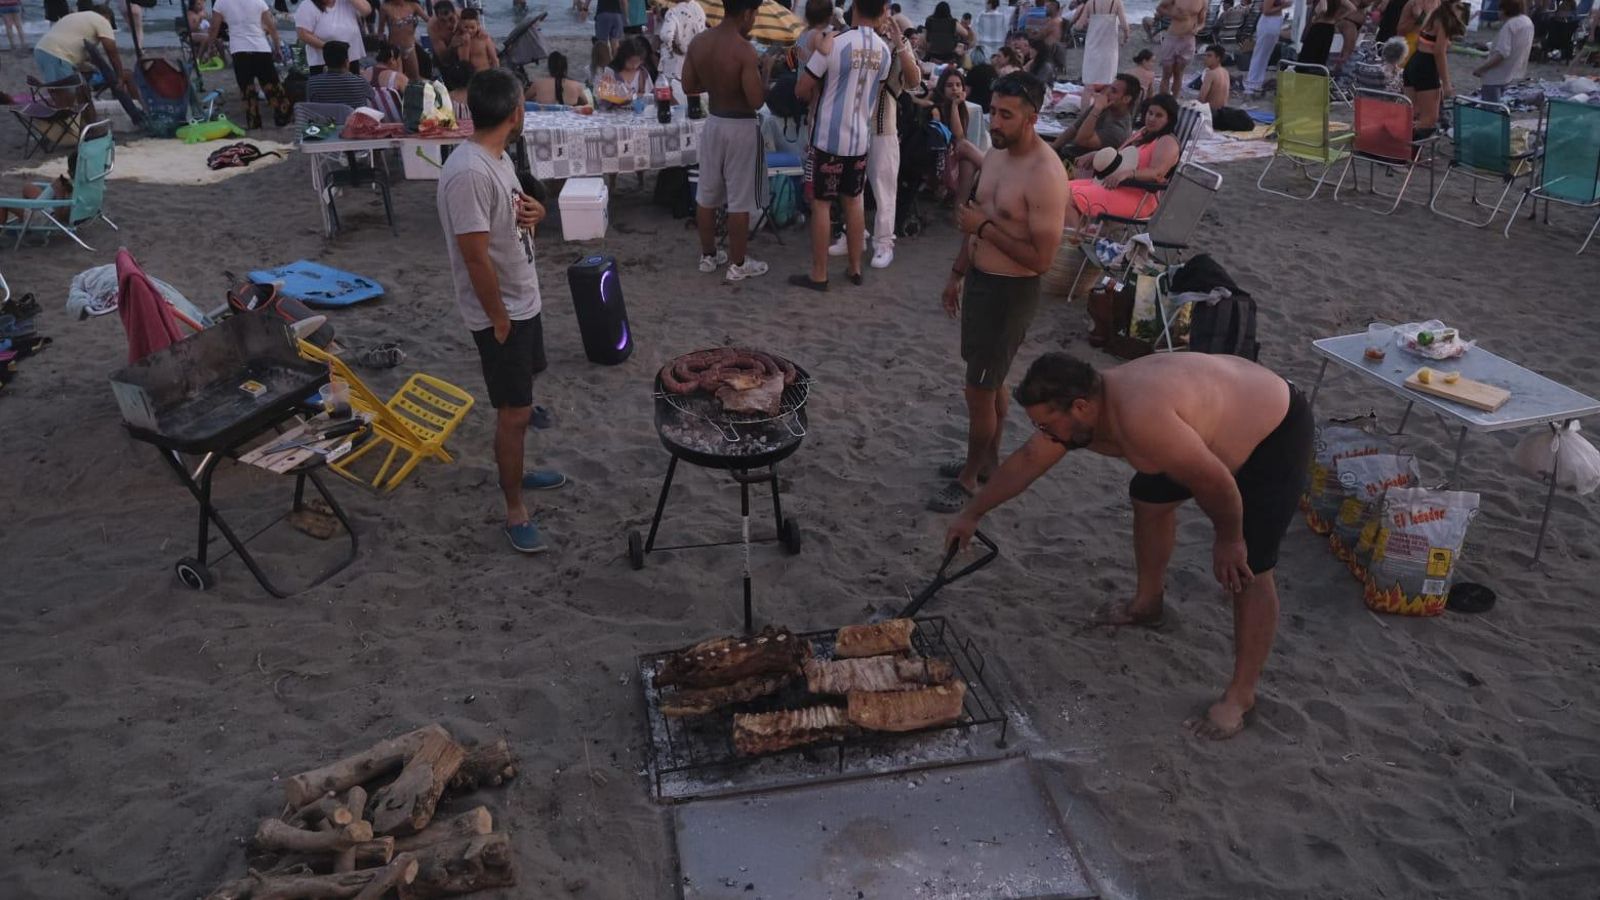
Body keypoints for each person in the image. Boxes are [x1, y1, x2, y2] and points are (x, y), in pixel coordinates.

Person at [944, 352, 1314, 740]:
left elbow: (1216, 483)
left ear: (1081, 406)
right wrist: (973, 513)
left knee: (1250, 567)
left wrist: (1229, 539)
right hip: (1203, 432)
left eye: (1047, 424)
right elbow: (1030, 457)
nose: (1045, 434)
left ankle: (1241, 695)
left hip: (1273, 431)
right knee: (1149, 499)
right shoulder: (1086, 409)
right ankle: (1148, 604)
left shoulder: (1143, 420)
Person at [437, 68, 568, 555]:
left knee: (524, 400)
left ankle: (519, 471)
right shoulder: (468, 172)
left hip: (521, 300)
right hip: (503, 312)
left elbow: (513, 212)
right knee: (513, 414)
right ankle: (514, 509)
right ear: (517, 113)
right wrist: (497, 318)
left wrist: (537, 212)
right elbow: (473, 255)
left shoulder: (498, 158)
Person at [930, 72, 1070, 513]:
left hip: (1011, 295)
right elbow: (975, 218)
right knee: (990, 380)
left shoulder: (1046, 174)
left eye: (1006, 115)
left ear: (1032, 117)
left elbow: (1042, 260)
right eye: (993, 111)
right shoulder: (996, 155)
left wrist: (983, 228)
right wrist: (957, 273)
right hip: (981, 283)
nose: (995, 121)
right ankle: (987, 460)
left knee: (979, 390)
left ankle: (970, 478)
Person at [790, 0, 892, 291]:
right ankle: (855, 268)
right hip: (860, 137)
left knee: (822, 204)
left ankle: (820, 274)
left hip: (828, 138)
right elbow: (877, 89)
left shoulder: (833, 43)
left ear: (855, 6)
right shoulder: (884, 50)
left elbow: (801, 89)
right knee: (854, 201)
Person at [682, 0, 769, 281]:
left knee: (706, 195)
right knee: (739, 200)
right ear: (746, 14)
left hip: (714, 123)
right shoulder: (745, 50)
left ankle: (708, 256)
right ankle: (738, 263)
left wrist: (717, 82)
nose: (754, 20)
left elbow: (688, 86)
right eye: (754, 14)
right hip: (740, 126)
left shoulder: (699, 42)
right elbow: (755, 101)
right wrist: (765, 70)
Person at [829, 14, 918, 269]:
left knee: (883, 187)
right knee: (851, 185)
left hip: (882, 123)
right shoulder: (856, 38)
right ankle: (854, 235)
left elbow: (913, 81)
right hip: (855, 123)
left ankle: (884, 242)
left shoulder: (894, 42)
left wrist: (900, 45)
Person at [1064, 93, 1181, 231]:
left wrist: (1127, 174)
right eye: (1150, 113)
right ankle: (1079, 231)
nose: (1151, 118)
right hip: (1115, 186)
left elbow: (1157, 173)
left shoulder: (1167, 141)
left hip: (1137, 197)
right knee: (1060, 188)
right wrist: (1096, 154)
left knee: (1067, 198)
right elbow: (1119, 155)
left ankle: (1074, 239)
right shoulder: (1144, 132)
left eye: (1159, 115)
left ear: (1169, 119)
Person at [201, 0, 292, 129]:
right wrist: (277, 47)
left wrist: (210, 47)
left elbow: (214, 28)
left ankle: (254, 124)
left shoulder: (221, 3)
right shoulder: (258, 2)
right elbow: (271, 27)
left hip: (239, 50)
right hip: (261, 49)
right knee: (273, 88)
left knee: (247, 91)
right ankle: (282, 119)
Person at [34, 5, 130, 91]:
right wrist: (120, 77)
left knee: (57, 90)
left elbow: (73, 45)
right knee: (67, 93)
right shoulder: (102, 21)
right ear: (107, 17)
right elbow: (112, 53)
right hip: (58, 54)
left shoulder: (76, 17)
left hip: (41, 50)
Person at [1402, 0, 1464, 131]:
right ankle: (1404, 145)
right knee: (1429, 120)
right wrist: (1447, 84)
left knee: (1412, 113)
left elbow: (1421, 37)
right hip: (1426, 65)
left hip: (1414, 61)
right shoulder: (1445, 19)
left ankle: (1398, 145)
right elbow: (1439, 52)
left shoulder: (1434, 11)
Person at [931, 67, 986, 203]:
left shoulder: (963, 108)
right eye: (949, 85)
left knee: (968, 164)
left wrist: (956, 107)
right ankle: (994, 170)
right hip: (940, 154)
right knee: (965, 145)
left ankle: (958, 211)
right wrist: (954, 106)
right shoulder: (937, 108)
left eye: (958, 85)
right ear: (942, 87)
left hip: (954, 153)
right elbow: (958, 136)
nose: (954, 89)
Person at [1053, 71, 1138, 160]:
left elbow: (1082, 140)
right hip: (1069, 152)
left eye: (1113, 91)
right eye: (1109, 88)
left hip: (1083, 164)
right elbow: (1074, 128)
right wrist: (1053, 148)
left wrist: (1096, 110)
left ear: (1126, 99)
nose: (1107, 93)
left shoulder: (1118, 130)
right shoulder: (1106, 106)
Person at [1476, 0, 1533, 101]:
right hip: (1510, 73)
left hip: (1495, 77)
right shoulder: (1527, 21)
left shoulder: (1509, 26)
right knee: (1499, 107)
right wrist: (1489, 45)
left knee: (1490, 110)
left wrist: (1481, 69)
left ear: (1504, 10)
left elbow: (1502, 54)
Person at [295, 0, 370, 74]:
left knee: (353, 84)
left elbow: (366, 10)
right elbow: (303, 34)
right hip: (324, 63)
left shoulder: (346, 2)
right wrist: (329, 48)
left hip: (351, 59)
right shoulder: (307, 5)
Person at [1155, 0, 1206, 96]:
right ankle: (1162, 101)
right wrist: (1173, 14)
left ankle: (1174, 101)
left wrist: (1197, 29)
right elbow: (1159, 8)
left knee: (1178, 73)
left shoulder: (1203, 1)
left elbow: (1202, 22)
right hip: (1173, 36)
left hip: (1188, 39)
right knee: (1167, 72)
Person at [1074, 0, 1129, 88]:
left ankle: (1088, 100)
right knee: (1108, 80)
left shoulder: (1091, 3)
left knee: (1089, 83)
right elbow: (1124, 25)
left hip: (1092, 44)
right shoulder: (1116, 2)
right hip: (1109, 46)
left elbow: (1078, 26)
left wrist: (1088, 21)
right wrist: (1126, 37)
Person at [1199, 43, 1253, 129]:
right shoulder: (1225, 72)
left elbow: (1201, 98)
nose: (1205, 58)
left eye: (1209, 56)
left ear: (1218, 58)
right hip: (1223, 113)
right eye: (1205, 55)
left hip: (1212, 115)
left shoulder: (1210, 74)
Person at [657, 0, 707, 88]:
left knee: (673, 95)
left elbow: (666, 35)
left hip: (674, 66)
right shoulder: (699, 9)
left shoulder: (674, 12)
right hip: (693, 62)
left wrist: (671, 48)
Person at [305, 41, 374, 104]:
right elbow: (372, 97)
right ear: (346, 62)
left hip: (326, 117)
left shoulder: (313, 83)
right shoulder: (360, 81)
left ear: (325, 61)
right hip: (354, 117)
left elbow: (311, 104)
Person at [1245, 0, 1290, 94]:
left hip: (1274, 22)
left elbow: (1263, 7)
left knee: (1264, 56)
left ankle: (1256, 83)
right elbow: (1266, 10)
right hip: (1269, 23)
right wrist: (1283, 6)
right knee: (1260, 55)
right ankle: (1251, 83)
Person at [377, 0, 429, 79]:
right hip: (393, 49)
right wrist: (382, 48)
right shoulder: (385, 8)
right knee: (396, 78)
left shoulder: (414, 6)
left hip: (410, 47)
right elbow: (381, 30)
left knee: (414, 78)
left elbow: (429, 20)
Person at [1299, 0, 1354, 68]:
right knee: (1322, 55)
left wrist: (1316, 18)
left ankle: (1303, 73)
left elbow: (1323, 9)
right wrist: (1338, 18)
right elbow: (1352, 9)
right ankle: (1318, 73)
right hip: (1330, 28)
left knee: (1308, 55)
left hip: (1319, 27)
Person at [455, 8, 498, 74]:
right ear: (461, 25)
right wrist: (467, 44)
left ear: (478, 25)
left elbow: (494, 59)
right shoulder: (461, 40)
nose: (469, 30)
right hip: (472, 77)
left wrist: (496, 75)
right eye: (466, 27)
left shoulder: (484, 38)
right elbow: (464, 64)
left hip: (486, 73)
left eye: (472, 27)